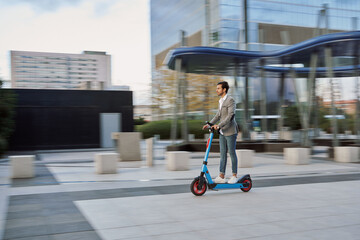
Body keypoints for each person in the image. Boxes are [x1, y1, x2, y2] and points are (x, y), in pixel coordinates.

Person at [202, 81, 238, 184]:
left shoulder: (230, 100)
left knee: (231, 153)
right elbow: (218, 115)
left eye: (218, 88)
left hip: (230, 131)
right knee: (222, 154)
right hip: (222, 132)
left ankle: (234, 175)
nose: (216, 90)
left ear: (224, 89)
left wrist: (219, 125)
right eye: (217, 88)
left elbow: (230, 116)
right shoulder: (220, 101)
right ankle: (222, 175)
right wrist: (210, 124)